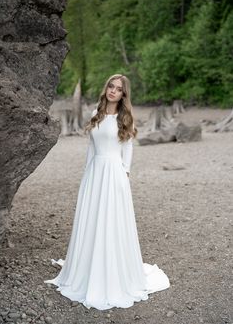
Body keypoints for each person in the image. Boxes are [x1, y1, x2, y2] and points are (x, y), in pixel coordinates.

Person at [44, 74, 170, 310]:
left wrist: (126, 174)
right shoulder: (96, 114)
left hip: (114, 174)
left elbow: (128, 148)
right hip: (94, 173)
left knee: (112, 221)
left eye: (118, 89)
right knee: (92, 219)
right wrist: (86, 177)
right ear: (107, 89)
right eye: (111, 87)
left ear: (124, 94)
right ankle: (88, 267)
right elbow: (91, 148)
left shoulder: (125, 118)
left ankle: (112, 272)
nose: (113, 91)